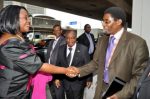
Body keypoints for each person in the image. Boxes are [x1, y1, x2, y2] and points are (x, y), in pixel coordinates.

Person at [69, 7, 149, 99]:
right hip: (101, 90)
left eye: (107, 21)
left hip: (122, 92)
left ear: (119, 22)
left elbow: (139, 75)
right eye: (103, 21)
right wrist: (79, 70)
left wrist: (120, 95)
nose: (103, 24)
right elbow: (96, 62)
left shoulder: (137, 43)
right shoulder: (102, 40)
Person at [0, 5, 72, 99]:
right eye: (25, 18)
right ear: (13, 19)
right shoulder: (12, 44)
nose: (29, 21)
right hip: (13, 93)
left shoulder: (9, 39)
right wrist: (66, 70)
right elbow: (39, 66)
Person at [55, 30, 92, 99]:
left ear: (76, 38)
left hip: (78, 82)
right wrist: (57, 78)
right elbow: (58, 64)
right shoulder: (60, 49)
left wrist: (89, 79)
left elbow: (88, 65)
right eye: (68, 38)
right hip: (66, 81)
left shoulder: (83, 49)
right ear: (65, 38)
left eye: (72, 38)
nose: (70, 40)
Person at [46, 24, 66, 99]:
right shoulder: (51, 42)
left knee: (59, 94)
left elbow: (62, 60)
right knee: (52, 92)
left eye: (58, 30)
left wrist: (58, 77)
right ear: (53, 32)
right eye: (55, 30)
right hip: (49, 70)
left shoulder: (64, 41)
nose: (57, 31)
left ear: (61, 31)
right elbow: (48, 56)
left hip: (57, 70)